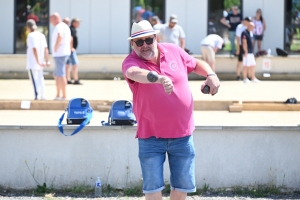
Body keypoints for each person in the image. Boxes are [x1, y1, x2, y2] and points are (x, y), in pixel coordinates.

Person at [122, 20, 220, 200]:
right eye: (139, 42)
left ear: (155, 38)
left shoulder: (173, 50)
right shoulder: (131, 62)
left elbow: (196, 63)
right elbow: (134, 73)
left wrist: (211, 75)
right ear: (132, 44)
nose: (145, 45)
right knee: (152, 192)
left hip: (182, 134)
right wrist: (158, 78)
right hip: (150, 137)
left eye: (148, 40)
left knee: (181, 189)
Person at [26, 19, 50, 100]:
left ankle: (37, 95)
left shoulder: (31, 36)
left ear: (28, 27)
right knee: (40, 78)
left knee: (35, 79)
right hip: (41, 62)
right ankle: (43, 95)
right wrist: (46, 60)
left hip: (33, 62)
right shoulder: (41, 35)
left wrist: (38, 61)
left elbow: (34, 48)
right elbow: (46, 49)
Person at [50, 12, 71, 100]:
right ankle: (58, 94)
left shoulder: (59, 26)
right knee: (57, 74)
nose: (51, 22)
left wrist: (56, 46)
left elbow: (60, 36)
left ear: (55, 19)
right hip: (63, 53)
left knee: (61, 74)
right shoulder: (65, 26)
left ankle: (64, 95)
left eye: (51, 20)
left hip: (60, 53)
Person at [66, 18, 82, 85]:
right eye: (78, 23)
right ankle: (76, 79)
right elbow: (70, 38)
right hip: (71, 51)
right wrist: (71, 48)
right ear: (73, 23)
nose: (79, 24)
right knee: (75, 64)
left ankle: (68, 79)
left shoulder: (73, 29)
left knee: (67, 65)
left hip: (68, 50)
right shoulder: (71, 29)